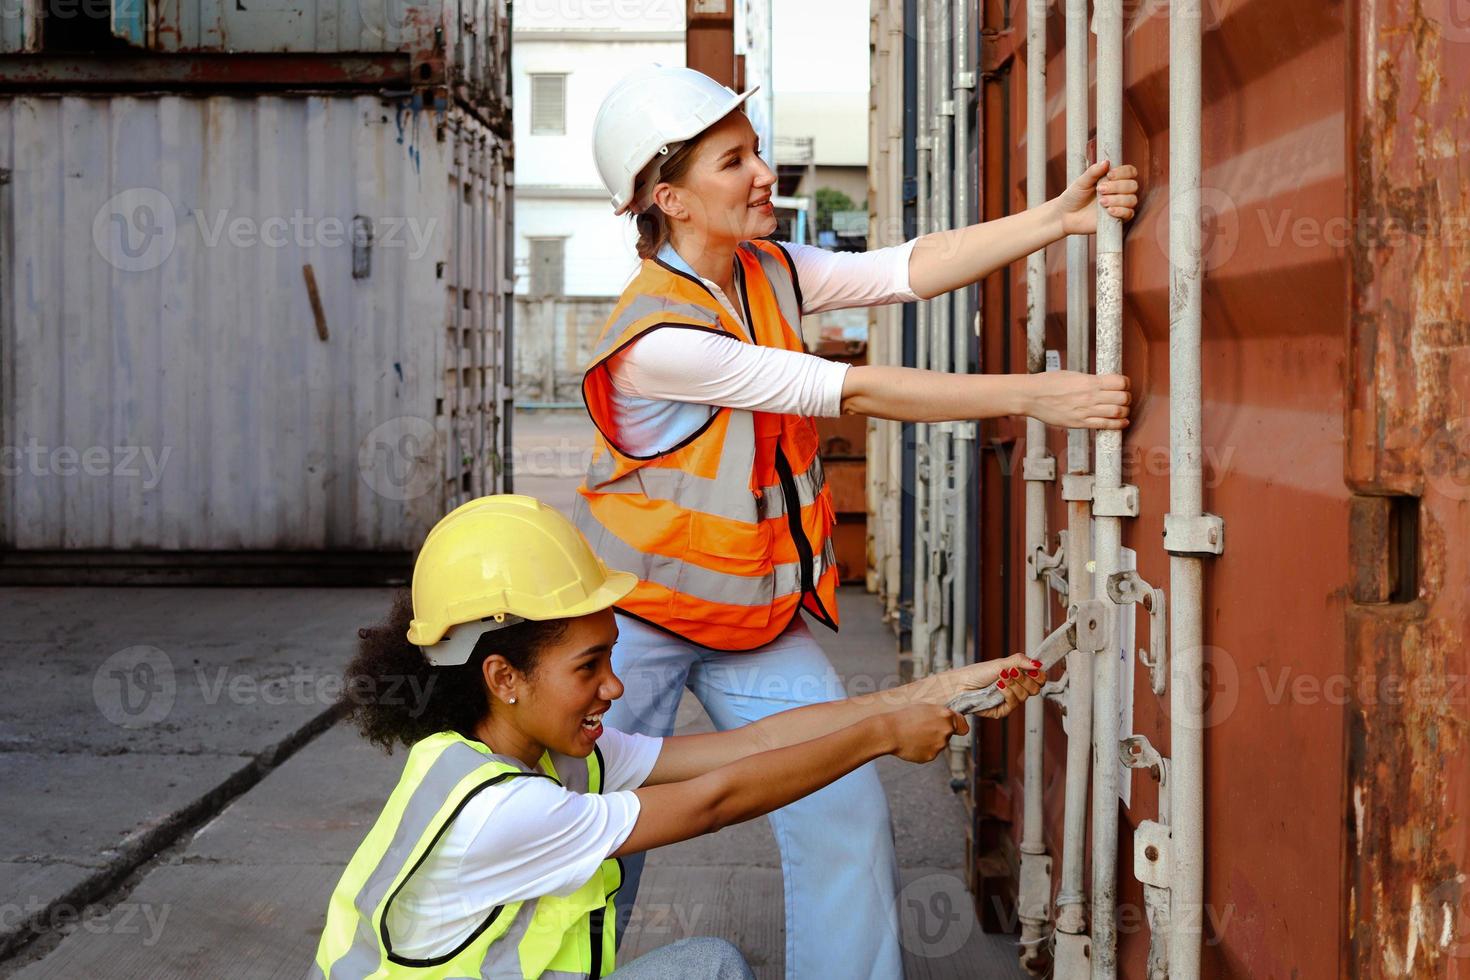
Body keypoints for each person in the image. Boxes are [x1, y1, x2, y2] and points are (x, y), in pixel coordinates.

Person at [575, 66, 1140, 978]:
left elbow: (901, 270)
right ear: (668, 198)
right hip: (629, 626)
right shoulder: (660, 342)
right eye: (733, 160)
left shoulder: (772, 271)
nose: (762, 172)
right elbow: (854, 389)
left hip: (748, 620)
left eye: (754, 148)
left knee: (842, 803)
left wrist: (1054, 218)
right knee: (606, 837)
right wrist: (1037, 396)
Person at [309, 494, 1043, 979]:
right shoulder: (502, 812)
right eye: (589, 665)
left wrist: (940, 691)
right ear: (505, 677)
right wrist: (883, 732)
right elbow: (715, 800)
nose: (615, 686)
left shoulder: (548, 762)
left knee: (710, 967)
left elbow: (753, 747)